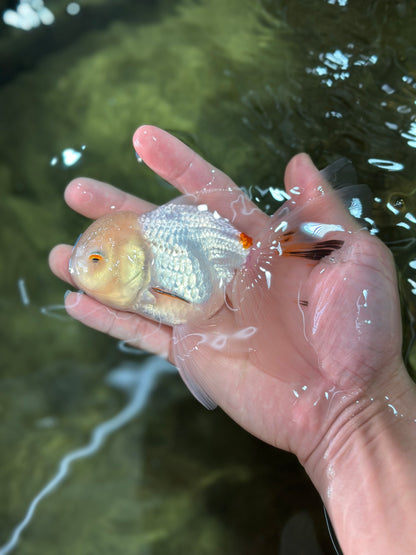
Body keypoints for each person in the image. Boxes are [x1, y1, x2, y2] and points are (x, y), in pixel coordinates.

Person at [49, 125, 416, 554]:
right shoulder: (144, 265)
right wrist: (355, 415)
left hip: (236, 254)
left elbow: (192, 313)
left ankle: (296, 248)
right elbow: (191, 314)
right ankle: (295, 247)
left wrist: (352, 411)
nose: (86, 267)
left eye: (96, 259)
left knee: (287, 251)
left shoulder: (154, 271)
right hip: (231, 263)